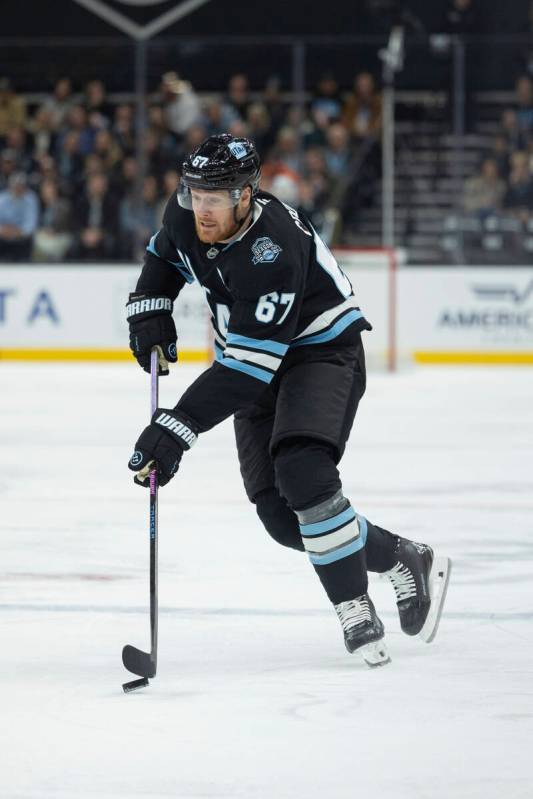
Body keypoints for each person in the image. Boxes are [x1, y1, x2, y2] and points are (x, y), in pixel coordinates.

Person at [126, 134, 451, 667]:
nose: (200, 209)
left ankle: (352, 606)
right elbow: (166, 253)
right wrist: (151, 306)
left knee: (302, 470)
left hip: (320, 353)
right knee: (281, 518)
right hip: (251, 364)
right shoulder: (186, 211)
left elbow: (249, 372)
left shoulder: (273, 247)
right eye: (194, 195)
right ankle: (402, 557)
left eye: (215, 198)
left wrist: (178, 426)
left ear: (247, 195)